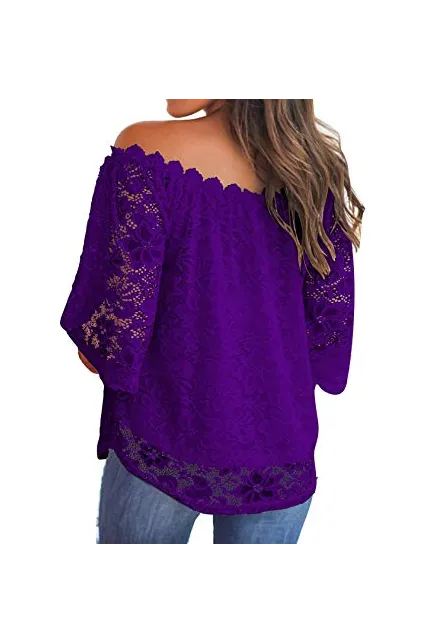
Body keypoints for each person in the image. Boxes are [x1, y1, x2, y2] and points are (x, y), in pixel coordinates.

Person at [60, 97, 364, 544]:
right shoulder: (313, 171)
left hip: (162, 440)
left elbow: (112, 341)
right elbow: (328, 332)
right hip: (280, 454)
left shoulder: (146, 153)